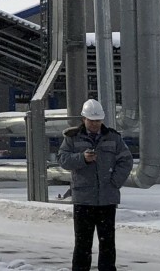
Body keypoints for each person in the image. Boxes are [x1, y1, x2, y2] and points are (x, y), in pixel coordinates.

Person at [57, 98, 133, 271]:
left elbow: (126, 160)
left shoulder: (113, 137)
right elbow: (63, 159)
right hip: (83, 199)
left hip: (107, 198)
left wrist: (114, 182)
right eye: (91, 120)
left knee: (107, 243)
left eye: (98, 120)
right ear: (84, 119)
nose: (94, 124)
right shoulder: (72, 138)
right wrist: (82, 158)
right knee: (82, 243)